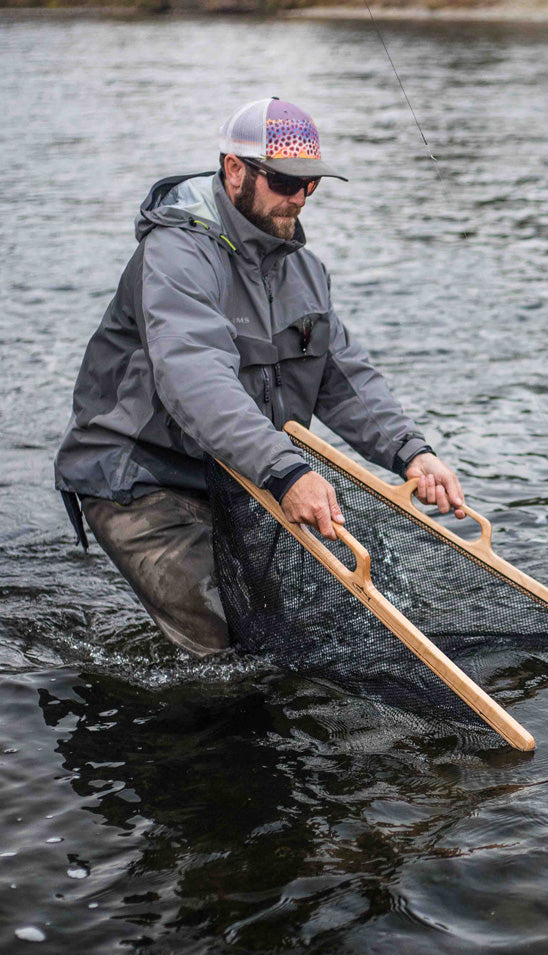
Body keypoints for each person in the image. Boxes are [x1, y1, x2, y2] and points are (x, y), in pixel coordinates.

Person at [54, 97, 465, 658]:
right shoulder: (177, 252)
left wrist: (411, 452)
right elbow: (194, 375)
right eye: (283, 181)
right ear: (234, 169)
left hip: (233, 476)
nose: (297, 197)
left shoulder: (305, 269)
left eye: (310, 185)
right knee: (223, 646)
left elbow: (343, 377)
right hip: (138, 475)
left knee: (278, 634)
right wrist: (285, 472)